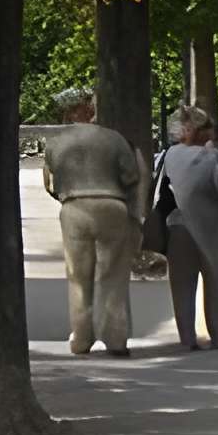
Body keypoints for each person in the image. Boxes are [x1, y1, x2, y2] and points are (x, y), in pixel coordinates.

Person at [38, 86, 142, 357]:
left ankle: (81, 338)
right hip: (111, 203)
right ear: (89, 110)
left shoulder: (56, 143)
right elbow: (131, 176)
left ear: (68, 113)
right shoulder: (114, 139)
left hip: (74, 206)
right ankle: (115, 338)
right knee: (113, 275)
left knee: (78, 276)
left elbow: (50, 184)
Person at [155, 105, 218, 351]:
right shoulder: (212, 156)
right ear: (196, 130)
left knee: (182, 283)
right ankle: (217, 335)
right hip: (208, 226)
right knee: (214, 279)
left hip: (175, 225)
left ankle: (187, 338)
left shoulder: (167, 155)